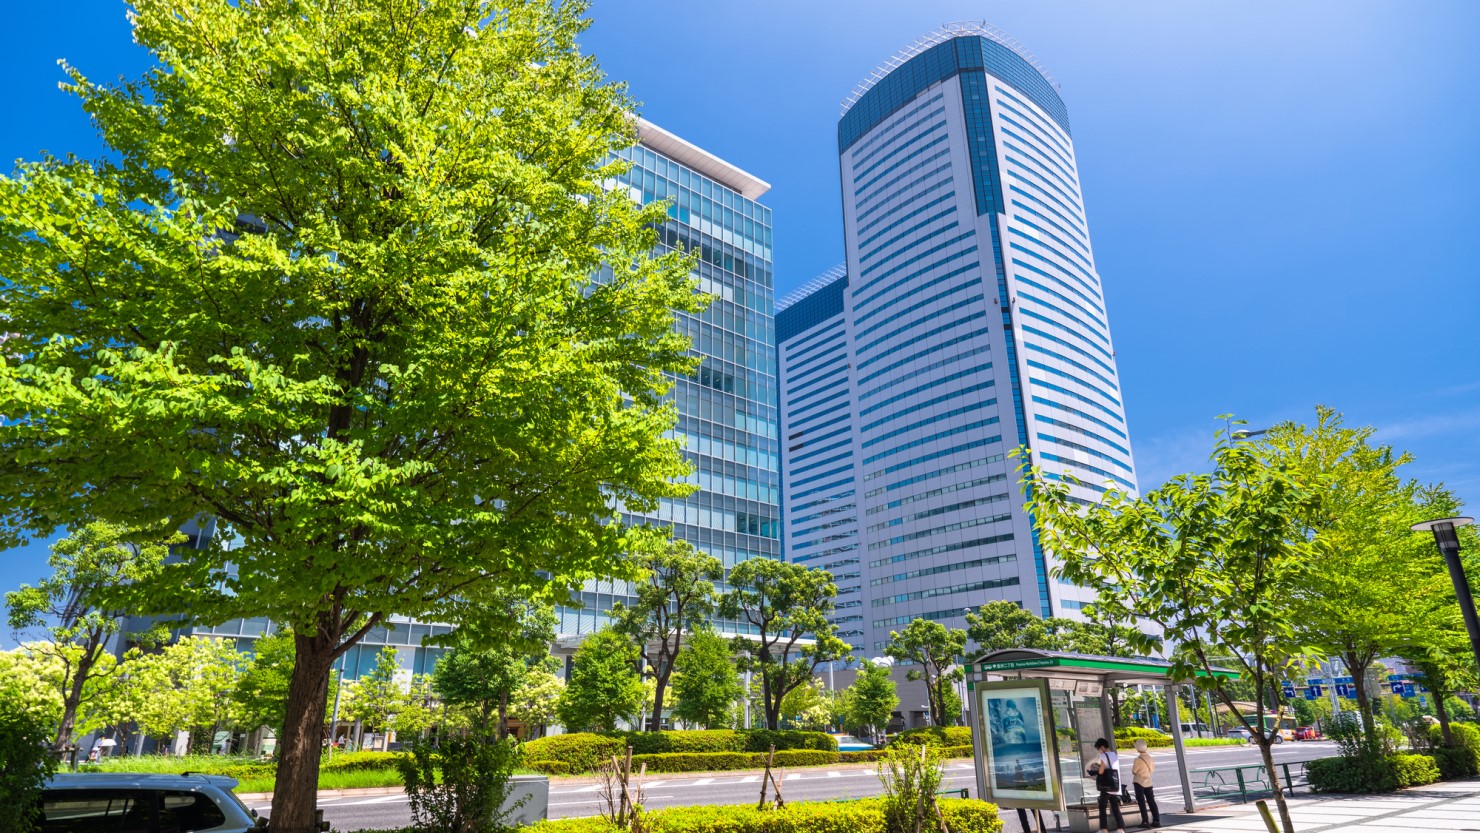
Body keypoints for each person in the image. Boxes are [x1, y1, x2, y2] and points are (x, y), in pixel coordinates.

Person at [1087, 738, 1125, 833]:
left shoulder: (1104, 755)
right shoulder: (1114, 755)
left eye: (1099, 749)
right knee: (1115, 807)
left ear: (1102, 747)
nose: (1099, 751)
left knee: (1102, 807)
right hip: (1115, 785)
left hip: (1106, 786)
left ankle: (1104, 829)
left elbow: (1101, 770)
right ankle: (1120, 829)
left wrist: (1094, 774)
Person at [1131, 739, 1161, 828]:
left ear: (1137, 749)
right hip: (1148, 782)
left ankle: (1145, 821)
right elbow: (1152, 770)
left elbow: (1134, 771)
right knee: (1151, 801)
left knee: (1141, 803)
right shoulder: (1150, 758)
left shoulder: (1137, 759)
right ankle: (1156, 820)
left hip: (1139, 782)